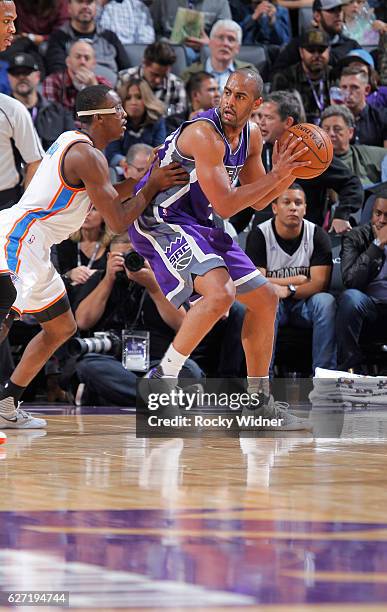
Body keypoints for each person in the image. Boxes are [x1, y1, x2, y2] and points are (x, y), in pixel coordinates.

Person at [129, 68, 313, 430]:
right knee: (221, 293)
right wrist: (279, 176)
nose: (229, 101)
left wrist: (290, 171)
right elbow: (229, 205)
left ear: (256, 104)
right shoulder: (203, 133)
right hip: (159, 219)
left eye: (240, 96)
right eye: (227, 92)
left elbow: (260, 199)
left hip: (200, 223)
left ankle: (258, 404)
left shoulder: (253, 136)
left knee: (265, 299)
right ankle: (161, 379)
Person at [0, 83, 189, 428]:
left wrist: (150, 177)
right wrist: (150, 185)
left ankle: (6, 402)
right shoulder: (87, 156)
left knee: (60, 328)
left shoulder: (80, 147)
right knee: (3, 321)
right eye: (116, 110)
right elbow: (116, 220)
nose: (123, 116)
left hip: (37, 244)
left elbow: (108, 196)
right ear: (99, 118)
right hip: (19, 237)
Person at [71, 233, 204, 406]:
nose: (129, 261)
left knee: (189, 369)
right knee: (87, 365)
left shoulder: (166, 279)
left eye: (134, 254)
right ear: (110, 257)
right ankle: (158, 398)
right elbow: (83, 321)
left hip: (158, 360)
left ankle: (108, 395)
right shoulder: (99, 279)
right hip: (114, 360)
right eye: (121, 256)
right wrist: (108, 280)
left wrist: (154, 287)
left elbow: (182, 325)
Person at [234, 91, 363, 234]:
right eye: (259, 116)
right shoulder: (258, 152)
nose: (261, 122)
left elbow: (352, 184)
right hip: (263, 238)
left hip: (304, 238)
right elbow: (245, 202)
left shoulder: (310, 152)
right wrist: (229, 231)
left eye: (268, 117)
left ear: (287, 122)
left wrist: (341, 215)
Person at [246, 184, 337, 374]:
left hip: (305, 305)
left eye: (298, 203)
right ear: (274, 208)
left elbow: (318, 284)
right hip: (274, 303)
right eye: (286, 202)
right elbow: (256, 281)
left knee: (326, 301)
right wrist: (295, 279)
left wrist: (288, 289)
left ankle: (324, 377)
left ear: (305, 208)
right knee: (265, 303)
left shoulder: (317, 235)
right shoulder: (260, 235)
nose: (293, 207)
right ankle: (263, 381)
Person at [336, 190, 387, 371]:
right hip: (369, 304)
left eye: (386, 216)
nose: (381, 221)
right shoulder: (356, 236)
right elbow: (351, 280)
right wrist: (376, 247)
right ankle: (350, 368)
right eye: (377, 214)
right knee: (350, 298)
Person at [45, 0, 130, 83]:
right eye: (80, 2)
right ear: (69, 7)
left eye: (89, 2)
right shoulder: (59, 37)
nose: (85, 6)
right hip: (74, 92)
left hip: (111, 91)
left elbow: (126, 71)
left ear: (96, 7)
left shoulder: (110, 37)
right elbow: (57, 73)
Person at [7, 52, 75, 151]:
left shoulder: (58, 113)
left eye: (26, 72)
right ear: (9, 77)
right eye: (16, 73)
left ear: (38, 76)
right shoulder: (2, 112)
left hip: (50, 165)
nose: (21, 77)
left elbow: (73, 146)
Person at [116, 42, 187, 133]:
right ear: (144, 63)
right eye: (154, 74)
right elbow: (117, 110)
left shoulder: (176, 84)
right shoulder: (125, 78)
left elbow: (179, 116)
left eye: (163, 75)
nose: (158, 80)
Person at [273, 0, 360, 72]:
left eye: (339, 9)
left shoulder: (351, 45)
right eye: (331, 10)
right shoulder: (300, 44)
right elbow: (277, 74)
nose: (338, 14)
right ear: (317, 16)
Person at [105, 76, 166, 177]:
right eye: (128, 98)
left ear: (147, 99)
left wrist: (144, 165)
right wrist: (128, 164)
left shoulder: (157, 121)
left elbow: (160, 150)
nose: (133, 102)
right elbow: (111, 154)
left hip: (150, 167)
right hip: (123, 169)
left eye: (138, 97)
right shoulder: (115, 121)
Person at [272, 29, 334, 124]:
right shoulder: (284, 78)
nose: (317, 55)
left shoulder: (335, 75)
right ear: (301, 52)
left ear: (328, 51)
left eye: (321, 50)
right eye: (311, 50)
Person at [43, 40, 112, 119]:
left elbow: (109, 117)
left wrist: (94, 89)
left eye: (87, 58)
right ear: (68, 61)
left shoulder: (103, 84)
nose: (82, 62)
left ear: (94, 64)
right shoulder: (53, 81)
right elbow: (51, 118)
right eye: (78, 57)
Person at [182, 20, 256, 94]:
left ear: (238, 48)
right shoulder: (191, 74)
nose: (225, 43)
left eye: (231, 39)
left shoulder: (249, 73)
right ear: (210, 43)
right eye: (220, 38)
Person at [321, 104, 387, 185]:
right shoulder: (316, 162)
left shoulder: (367, 154)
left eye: (337, 129)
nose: (331, 133)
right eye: (326, 129)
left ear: (350, 132)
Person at [339, 66, 387, 147]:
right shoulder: (331, 120)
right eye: (344, 87)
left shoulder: (382, 117)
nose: (348, 93)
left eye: (354, 87)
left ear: (367, 90)